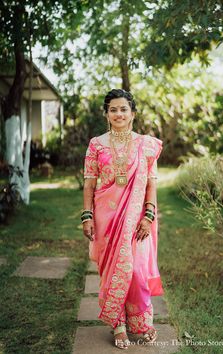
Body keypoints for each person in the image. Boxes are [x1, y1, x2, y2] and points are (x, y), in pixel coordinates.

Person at [81, 89, 164, 349]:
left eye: (123, 109)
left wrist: (148, 216)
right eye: (113, 109)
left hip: (137, 216)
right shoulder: (96, 144)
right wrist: (87, 216)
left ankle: (141, 322)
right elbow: (89, 183)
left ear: (132, 113)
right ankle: (118, 325)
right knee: (112, 272)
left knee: (137, 271)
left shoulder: (146, 144)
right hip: (106, 217)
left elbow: (151, 184)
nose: (118, 114)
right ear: (106, 114)